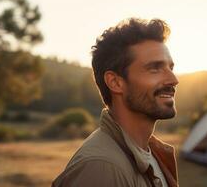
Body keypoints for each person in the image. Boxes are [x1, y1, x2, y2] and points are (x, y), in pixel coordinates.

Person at [52, 18, 179, 187]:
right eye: (155, 68)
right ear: (115, 82)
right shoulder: (100, 169)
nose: (173, 79)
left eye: (170, 68)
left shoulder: (150, 153)